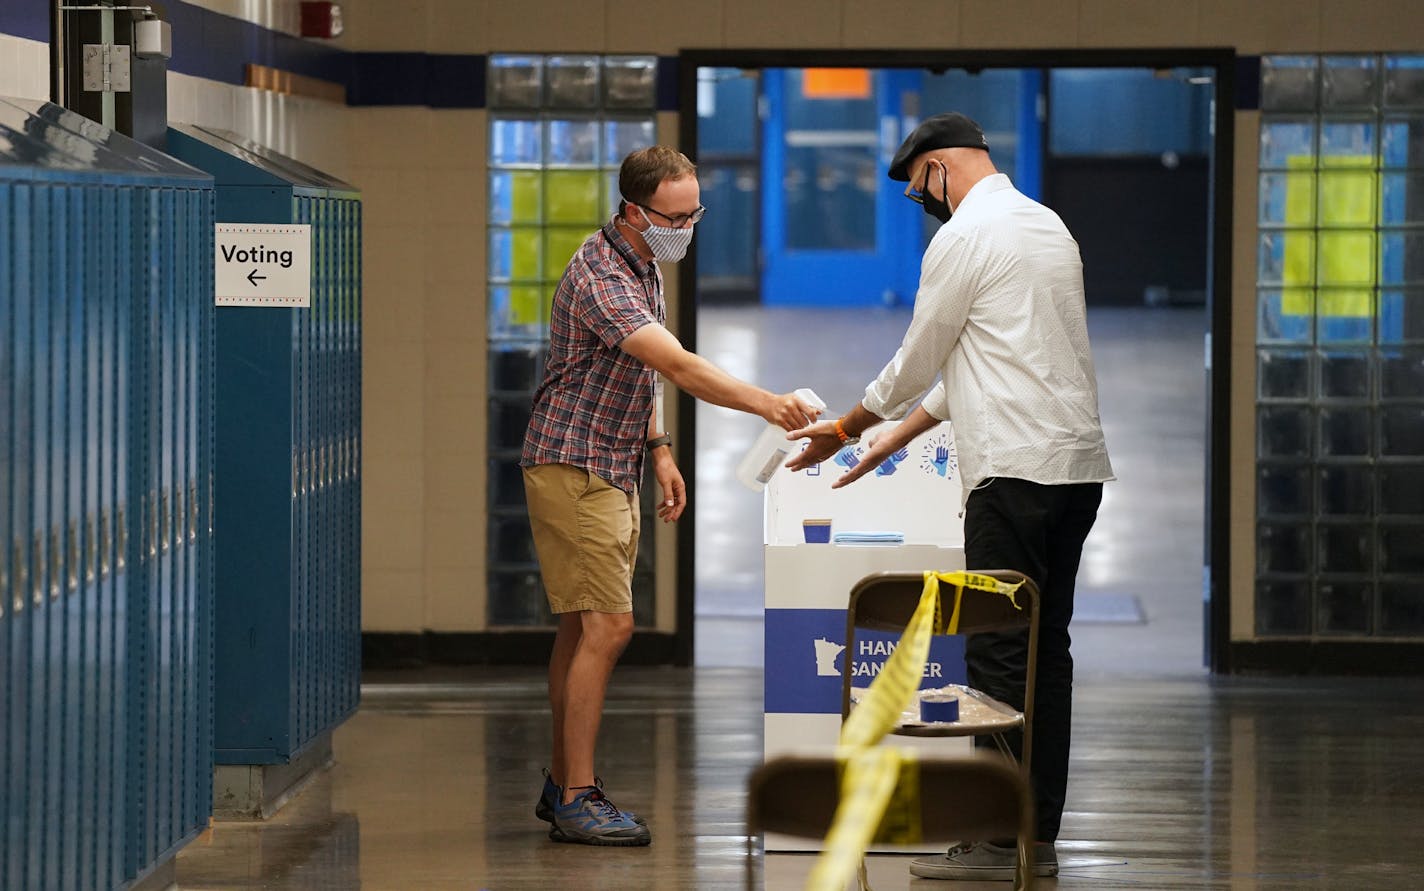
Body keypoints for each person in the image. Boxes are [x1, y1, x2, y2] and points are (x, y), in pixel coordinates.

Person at [786, 112, 1114, 881]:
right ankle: (1035, 830)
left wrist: (846, 424)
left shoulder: (963, 238)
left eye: (916, 189)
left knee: (998, 652)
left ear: (936, 168)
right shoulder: (1046, 225)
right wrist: (887, 441)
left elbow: (916, 358)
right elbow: (989, 361)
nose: (921, 205)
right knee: (1044, 652)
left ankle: (994, 843)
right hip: (1074, 470)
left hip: (1011, 474)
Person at [522, 145, 820, 847]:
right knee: (609, 627)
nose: (686, 228)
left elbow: (638, 372)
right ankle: (576, 795)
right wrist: (767, 404)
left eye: (694, 214)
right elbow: (676, 364)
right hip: (576, 464)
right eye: (674, 216)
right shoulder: (602, 276)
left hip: (610, 460)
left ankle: (562, 779)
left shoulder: (641, 262)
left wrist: (657, 449)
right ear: (633, 211)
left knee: (579, 623)